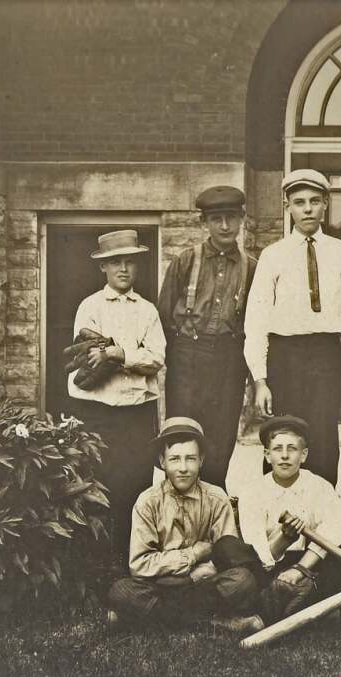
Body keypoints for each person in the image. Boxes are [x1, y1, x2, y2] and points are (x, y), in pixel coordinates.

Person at [244, 169, 341, 485]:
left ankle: (323, 521)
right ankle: (277, 518)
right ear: (288, 207)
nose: (307, 209)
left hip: (326, 355)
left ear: (325, 204)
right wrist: (260, 380)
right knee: (283, 438)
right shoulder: (272, 255)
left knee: (323, 441)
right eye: (299, 202)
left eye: (314, 201)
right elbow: (256, 322)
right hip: (285, 357)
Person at [106, 417, 261, 631]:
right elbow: (140, 564)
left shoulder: (216, 498)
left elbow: (227, 554)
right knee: (121, 591)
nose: (183, 468)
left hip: (204, 585)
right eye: (175, 459)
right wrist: (193, 555)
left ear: (201, 460)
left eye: (190, 458)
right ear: (162, 461)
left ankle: (141, 619)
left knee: (243, 581)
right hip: (161, 585)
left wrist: (201, 573)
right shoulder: (148, 501)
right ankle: (216, 622)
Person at [68, 229, 166, 557]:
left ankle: (133, 558)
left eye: (130, 262)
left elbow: (156, 357)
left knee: (137, 483)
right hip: (98, 410)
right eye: (115, 262)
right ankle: (101, 561)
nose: (123, 269)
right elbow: (88, 355)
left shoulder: (147, 310)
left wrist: (118, 354)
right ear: (103, 268)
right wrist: (120, 353)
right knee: (99, 483)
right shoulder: (90, 306)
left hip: (137, 409)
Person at [157, 185, 256, 488]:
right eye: (216, 219)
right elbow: (162, 317)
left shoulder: (252, 268)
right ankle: (175, 503)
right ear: (204, 223)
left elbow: (256, 322)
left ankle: (213, 506)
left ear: (242, 220)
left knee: (221, 436)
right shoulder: (185, 261)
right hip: (187, 358)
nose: (224, 226)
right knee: (182, 434)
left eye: (231, 218)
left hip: (229, 360)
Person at [238, 416, 341, 624]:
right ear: (267, 455)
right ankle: (300, 607)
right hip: (270, 567)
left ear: (304, 455)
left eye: (292, 449)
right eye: (277, 449)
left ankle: (302, 604)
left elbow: (340, 527)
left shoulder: (319, 486)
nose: (284, 456)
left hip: (309, 564)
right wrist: (283, 539)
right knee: (248, 578)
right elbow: (258, 551)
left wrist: (300, 569)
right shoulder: (252, 492)